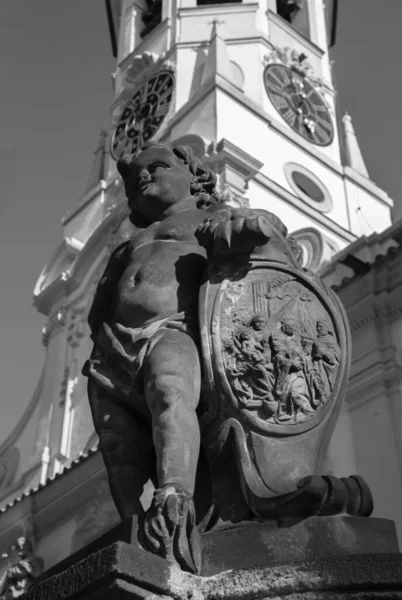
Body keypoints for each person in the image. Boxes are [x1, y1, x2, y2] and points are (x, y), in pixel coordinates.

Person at [83, 142, 282, 572]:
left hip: (176, 326)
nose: (142, 178)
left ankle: (174, 499)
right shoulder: (130, 243)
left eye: (155, 167)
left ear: (194, 176)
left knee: (169, 392)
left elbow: (268, 240)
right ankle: (134, 527)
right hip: (115, 345)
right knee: (116, 441)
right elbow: (100, 303)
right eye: (134, 180)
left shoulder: (213, 217)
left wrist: (251, 228)